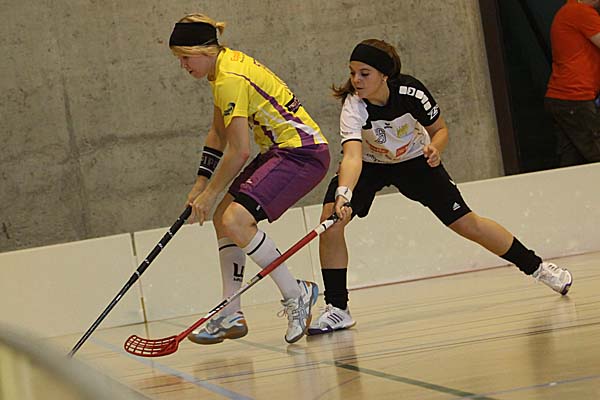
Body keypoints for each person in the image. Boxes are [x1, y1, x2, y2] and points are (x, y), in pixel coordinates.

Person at [308, 39, 573, 335]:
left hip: (416, 162)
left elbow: (441, 129)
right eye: (352, 72)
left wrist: (436, 148)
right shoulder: (354, 105)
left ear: (384, 75)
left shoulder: (411, 93)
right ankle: (338, 309)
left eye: (364, 73)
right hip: (370, 165)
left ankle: (538, 268)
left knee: (468, 224)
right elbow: (352, 157)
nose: (356, 80)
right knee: (331, 222)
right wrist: (344, 195)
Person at [168, 14, 330, 344]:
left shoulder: (229, 77)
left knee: (235, 220)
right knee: (222, 220)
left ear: (203, 50)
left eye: (185, 57)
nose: (182, 66)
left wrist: (211, 193)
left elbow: (240, 150)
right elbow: (218, 133)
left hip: (302, 153)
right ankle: (230, 312)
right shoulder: (221, 70)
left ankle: (296, 293)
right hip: (279, 151)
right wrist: (200, 184)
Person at [545, 0, 600, 167]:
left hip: (563, 97)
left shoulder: (568, 11)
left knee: (572, 161)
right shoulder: (581, 12)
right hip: (575, 97)